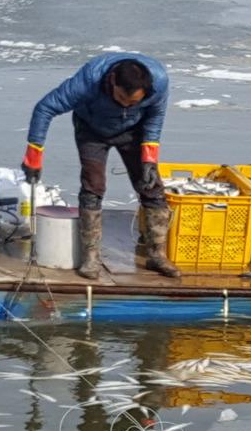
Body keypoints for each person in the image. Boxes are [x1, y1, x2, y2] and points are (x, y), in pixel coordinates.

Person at [25, 52, 175, 280]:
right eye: (121, 99)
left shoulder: (159, 82)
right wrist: (34, 157)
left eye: (133, 102)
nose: (125, 105)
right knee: (93, 187)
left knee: (151, 187)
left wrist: (149, 159)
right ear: (112, 80)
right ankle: (91, 258)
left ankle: (157, 255)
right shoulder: (88, 81)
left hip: (134, 132)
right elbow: (45, 108)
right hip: (92, 130)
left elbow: (156, 116)